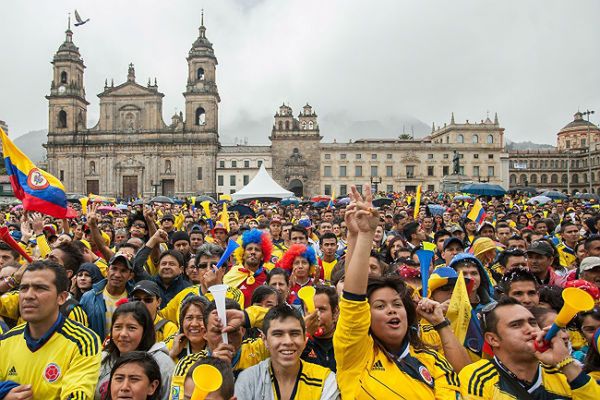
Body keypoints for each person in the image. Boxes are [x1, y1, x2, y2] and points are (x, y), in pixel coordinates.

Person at [333, 185, 460, 399]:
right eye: (380, 306)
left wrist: (441, 323)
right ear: (365, 316)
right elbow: (353, 297)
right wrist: (363, 235)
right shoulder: (356, 353)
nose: (392, 311)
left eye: (397, 304)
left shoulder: (431, 358)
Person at [459, 297, 600, 399]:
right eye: (516, 325)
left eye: (532, 323)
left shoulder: (563, 373)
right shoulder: (477, 376)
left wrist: (566, 363)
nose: (530, 330)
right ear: (493, 339)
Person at [0, 260, 101, 399]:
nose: (28, 295)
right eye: (23, 288)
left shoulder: (83, 341)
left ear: (61, 298)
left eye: (40, 288)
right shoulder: (5, 341)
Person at [235, 304, 339, 399]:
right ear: (265, 340)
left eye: (294, 333)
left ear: (304, 339)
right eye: (278, 334)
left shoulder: (325, 381)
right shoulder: (248, 380)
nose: (288, 342)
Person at [96, 301, 174, 400]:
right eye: (117, 327)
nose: (123, 334)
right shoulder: (102, 359)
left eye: (131, 328)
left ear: (145, 331)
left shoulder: (163, 364)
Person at [81, 253, 136, 340]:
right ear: (107, 271)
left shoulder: (135, 299)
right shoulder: (89, 297)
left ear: (130, 276)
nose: (117, 274)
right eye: (114, 269)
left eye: (123, 271)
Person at [224, 229, 273, 308]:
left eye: (257, 250)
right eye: (249, 249)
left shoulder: (268, 277)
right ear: (243, 254)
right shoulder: (231, 275)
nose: (253, 252)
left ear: (262, 257)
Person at [166, 295, 209, 362]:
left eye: (200, 318)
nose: (194, 324)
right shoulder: (172, 342)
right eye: (189, 318)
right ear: (181, 322)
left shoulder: (216, 344)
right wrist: (172, 354)